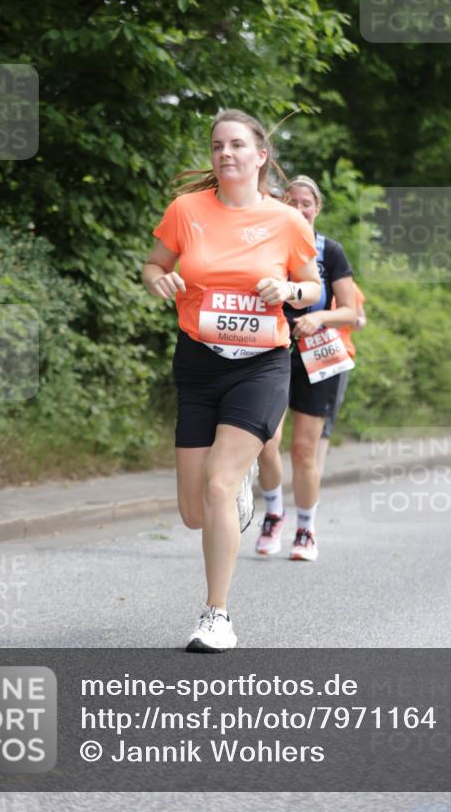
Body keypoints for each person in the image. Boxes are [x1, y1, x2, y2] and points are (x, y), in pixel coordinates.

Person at [142, 111, 322, 652]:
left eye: (238, 144)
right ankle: (236, 489)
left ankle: (216, 616)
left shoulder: (286, 220)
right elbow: (153, 265)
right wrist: (159, 281)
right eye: (218, 145)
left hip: (261, 365)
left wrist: (287, 291)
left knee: (217, 484)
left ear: (260, 155)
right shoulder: (186, 210)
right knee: (193, 512)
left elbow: (312, 287)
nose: (226, 153)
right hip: (199, 362)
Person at [256, 175, 356, 561]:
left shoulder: (330, 250)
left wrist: (321, 317)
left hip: (318, 351)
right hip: (274, 348)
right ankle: (273, 514)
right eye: (291, 202)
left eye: (306, 203)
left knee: (303, 449)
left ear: (317, 208)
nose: (298, 209)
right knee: (266, 440)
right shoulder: (267, 245)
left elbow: (350, 311)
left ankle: (306, 529)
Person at [317, 284, 366, 476]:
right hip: (308, 351)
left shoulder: (349, 287)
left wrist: (355, 321)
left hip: (338, 353)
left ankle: (317, 473)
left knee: (328, 410)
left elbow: (361, 319)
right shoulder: (310, 281)